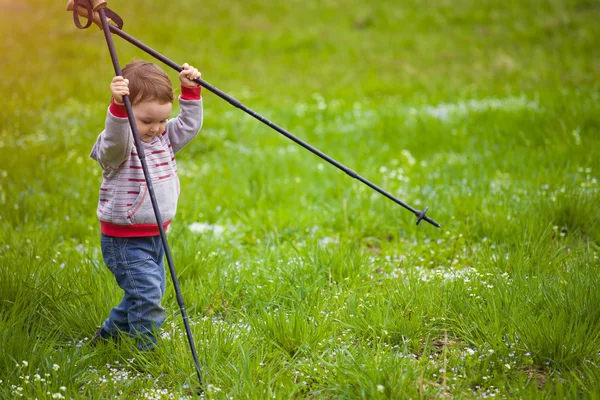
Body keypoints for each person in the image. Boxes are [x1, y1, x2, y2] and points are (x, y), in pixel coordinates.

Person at [89, 60, 203, 350]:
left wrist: (189, 93)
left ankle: (109, 335)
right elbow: (115, 139)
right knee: (148, 295)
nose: (156, 128)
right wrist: (117, 110)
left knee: (143, 294)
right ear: (126, 114)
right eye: (146, 121)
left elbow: (188, 126)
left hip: (155, 236)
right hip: (124, 240)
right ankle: (144, 351)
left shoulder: (162, 139)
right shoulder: (119, 147)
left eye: (162, 120)